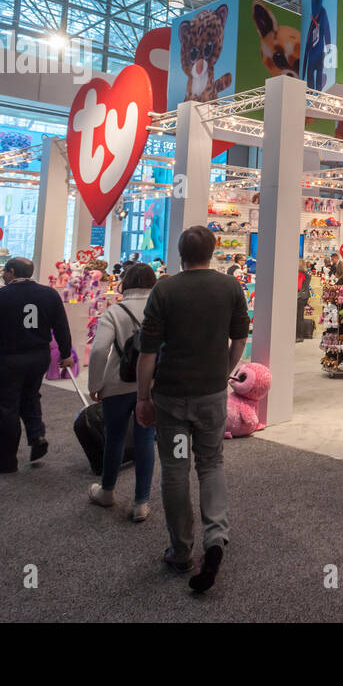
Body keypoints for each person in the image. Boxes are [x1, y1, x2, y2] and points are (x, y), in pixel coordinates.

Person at [136, 225, 249, 592]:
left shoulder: (165, 289)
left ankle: (181, 550)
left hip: (171, 398)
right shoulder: (230, 287)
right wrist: (225, 371)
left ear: (181, 254)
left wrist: (142, 397)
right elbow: (240, 338)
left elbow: (148, 352)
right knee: (211, 463)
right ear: (213, 251)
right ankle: (215, 538)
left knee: (175, 468)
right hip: (211, 397)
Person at [0, 257, 73, 474]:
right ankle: (36, 434)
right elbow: (61, 327)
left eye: (5, 271)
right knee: (30, 395)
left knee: (7, 407)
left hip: (6, 359)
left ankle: (5, 460)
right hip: (38, 357)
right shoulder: (49, 294)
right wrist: (66, 353)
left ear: (11, 272)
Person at [86, 263, 158, 522]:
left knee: (114, 437)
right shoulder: (160, 309)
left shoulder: (115, 311)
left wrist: (95, 385)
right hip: (150, 385)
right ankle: (141, 502)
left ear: (125, 282)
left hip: (116, 384)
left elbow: (98, 351)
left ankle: (107, 491)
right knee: (146, 440)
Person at [296, 258, 312, 342]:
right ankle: (300, 336)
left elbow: (298, 286)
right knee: (300, 317)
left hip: (299, 297)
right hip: (305, 297)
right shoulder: (307, 274)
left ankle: (298, 336)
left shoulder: (299, 274)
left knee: (298, 317)